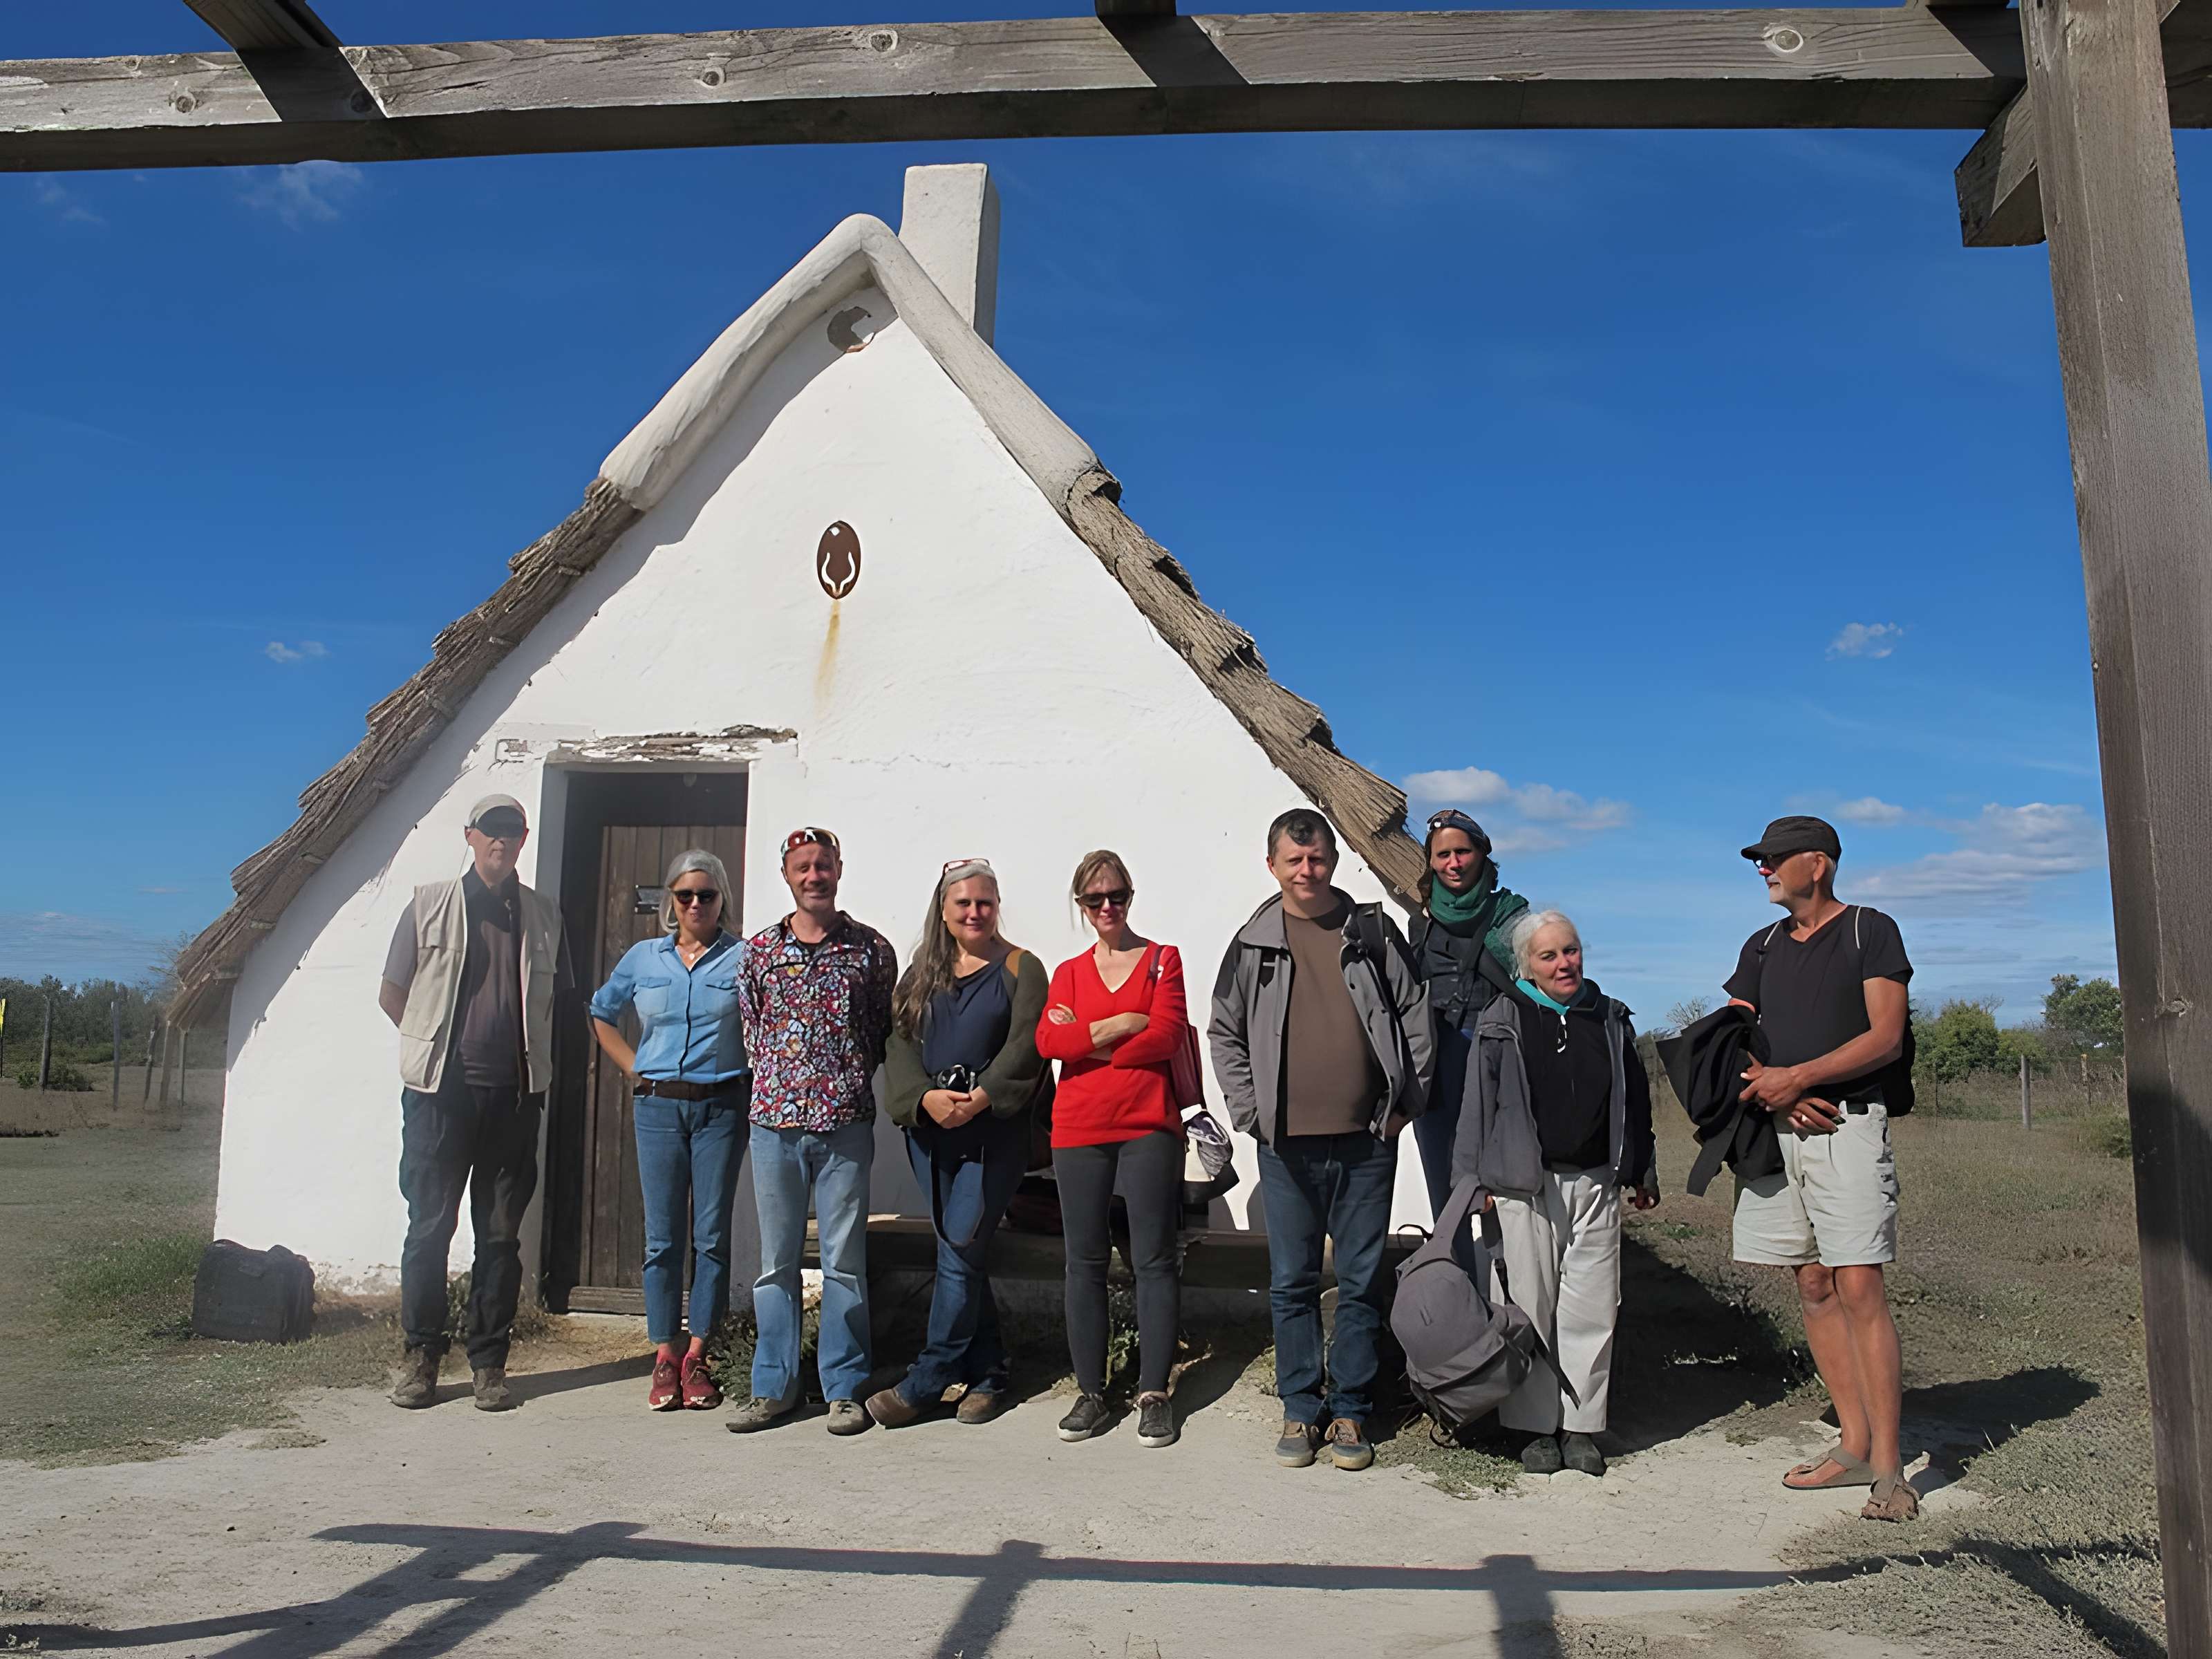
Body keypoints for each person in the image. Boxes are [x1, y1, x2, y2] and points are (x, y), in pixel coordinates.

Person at [1209, 809, 1432, 1472]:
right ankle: (1301, 1407)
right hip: (1285, 1146)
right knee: (1292, 1282)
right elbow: (1225, 1033)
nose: (1308, 872)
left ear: (1333, 861)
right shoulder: (1251, 944)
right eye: (1294, 861)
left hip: (1369, 1139)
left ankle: (1352, 1411)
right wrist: (1251, 1114)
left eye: (1319, 860)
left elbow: (1416, 1019)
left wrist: (1403, 1107)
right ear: (1272, 864)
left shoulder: (1370, 930)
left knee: (1361, 1280)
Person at [1725, 816, 1917, 1521]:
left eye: (1772, 858)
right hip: (1776, 1130)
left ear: (1818, 863)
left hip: (1846, 1126)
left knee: (1857, 1282)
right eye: (1758, 859)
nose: (1761, 869)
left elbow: (1885, 1036)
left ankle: (1890, 1472)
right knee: (1810, 1283)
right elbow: (1730, 1035)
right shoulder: (1761, 945)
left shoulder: (1870, 930)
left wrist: (1801, 1080)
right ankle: (1853, 1443)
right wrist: (1775, 1086)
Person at [377, 793, 568, 1412]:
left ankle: (488, 1362)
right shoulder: (428, 903)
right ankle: (421, 1358)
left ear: (524, 839)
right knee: (429, 1230)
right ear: (470, 836)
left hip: (514, 1100)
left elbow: (555, 1004)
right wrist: (435, 1051)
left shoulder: (543, 915)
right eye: (492, 831)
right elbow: (393, 992)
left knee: (501, 1238)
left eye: (512, 831)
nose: (502, 841)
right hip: (439, 1099)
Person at [1453, 908, 1657, 1476]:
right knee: (1529, 1304)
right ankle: (1533, 1426)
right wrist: (1471, 1184)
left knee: (1592, 1306)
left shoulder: (1610, 1017)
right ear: (1527, 966)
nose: (1564, 963)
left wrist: (1642, 1169)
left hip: (1594, 1181)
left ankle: (1582, 1427)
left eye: (1570, 951)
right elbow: (1476, 1107)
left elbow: (1635, 1103)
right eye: (1549, 956)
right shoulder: (1503, 1020)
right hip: (1523, 1185)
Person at [868, 859, 1049, 1429]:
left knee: (962, 1245)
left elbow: (1028, 1044)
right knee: (960, 1253)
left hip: (993, 1134)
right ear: (943, 910)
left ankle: (929, 1376)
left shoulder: (1023, 968)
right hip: (930, 1134)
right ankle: (991, 1374)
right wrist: (923, 1099)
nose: (975, 913)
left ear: (997, 906)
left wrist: (983, 1095)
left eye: (985, 902)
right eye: (964, 903)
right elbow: (896, 1043)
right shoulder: (922, 971)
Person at [730, 827, 897, 1438]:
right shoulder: (758, 954)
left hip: (845, 1126)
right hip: (774, 1126)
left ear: (839, 870)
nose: (814, 876)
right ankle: (772, 1386)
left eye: (823, 865)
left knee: (843, 1263)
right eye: (803, 867)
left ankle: (844, 1389)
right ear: (787, 875)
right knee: (776, 1263)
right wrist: (789, 1082)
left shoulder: (872, 951)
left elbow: (878, 1031)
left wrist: (838, 1081)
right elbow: (753, 1031)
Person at [588, 849, 749, 1414]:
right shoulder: (642, 958)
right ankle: (663, 1350)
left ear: (722, 898)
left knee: (710, 1236)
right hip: (657, 1108)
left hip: (721, 1107)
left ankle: (698, 1352)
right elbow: (601, 1013)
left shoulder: (743, 959)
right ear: (670, 904)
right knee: (662, 1239)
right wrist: (633, 1066)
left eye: (707, 895)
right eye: (686, 896)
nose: (697, 905)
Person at [1035, 850, 1188, 1449]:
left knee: (1152, 1260)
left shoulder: (1161, 960)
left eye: (1116, 896)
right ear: (1080, 905)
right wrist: (1124, 1023)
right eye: (1094, 899)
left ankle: (1153, 1392)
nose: (1106, 908)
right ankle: (1092, 1391)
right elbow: (1049, 1038)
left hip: (1149, 1122)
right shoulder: (1069, 970)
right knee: (1085, 1261)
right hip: (1077, 1128)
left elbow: (1169, 1034)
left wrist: (1089, 1043)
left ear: (1131, 896)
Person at [1406, 809, 1528, 1222]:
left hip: (1500, 1068)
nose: (1453, 863)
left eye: (1463, 851)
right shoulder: (1418, 927)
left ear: (1482, 854)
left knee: (1508, 1194)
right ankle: (1454, 1281)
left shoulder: (1515, 920)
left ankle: (1510, 1287)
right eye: (1443, 855)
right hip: (1437, 1074)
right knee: (1447, 1197)